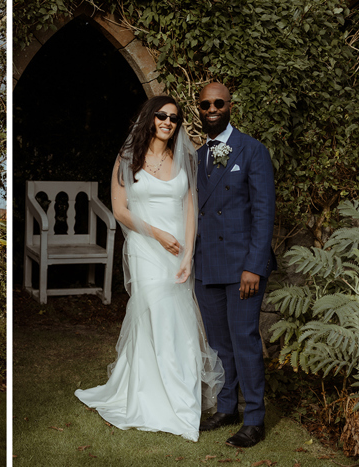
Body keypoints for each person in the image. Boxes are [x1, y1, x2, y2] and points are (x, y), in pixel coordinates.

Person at [75, 96, 224, 442]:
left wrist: (187, 254)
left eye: (173, 118)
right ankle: (150, 397)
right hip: (145, 248)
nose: (167, 122)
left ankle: (183, 403)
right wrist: (157, 235)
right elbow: (120, 209)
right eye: (161, 115)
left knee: (180, 320)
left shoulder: (184, 158)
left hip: (177, 253)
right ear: (150, 118)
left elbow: (190, 207)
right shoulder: (127, 159)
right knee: (154, 315)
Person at [194, 82, 276, 448]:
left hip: (243, 267)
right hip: (206, 265)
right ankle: (227, 408)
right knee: (219, 344)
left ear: (229, 106)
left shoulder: (252, 150)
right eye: (205, 104)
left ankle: (255, 418)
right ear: (199, 109)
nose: (212, 109)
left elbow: (263, 212)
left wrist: (254, 267)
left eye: (218, 103)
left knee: (244, 341)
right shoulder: (196, 157)